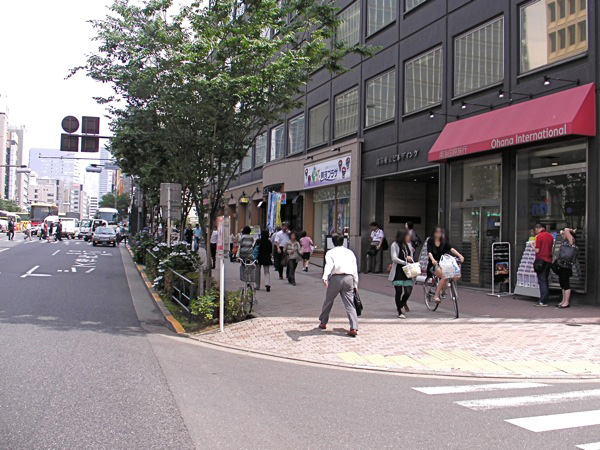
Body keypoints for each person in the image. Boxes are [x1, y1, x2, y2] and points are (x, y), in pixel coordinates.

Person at [319, 234, 360, 337]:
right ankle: (353, 327)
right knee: (350, 303)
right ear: (343, 241)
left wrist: (325, 277)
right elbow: (354, 268)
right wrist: (355, 284)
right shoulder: (350, 252)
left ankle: (323, 322)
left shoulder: (330, 253)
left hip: (336, 278)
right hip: (349, 278)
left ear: (333, 242)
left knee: (329, 300)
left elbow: (329, 265)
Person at [427, 226, 464, 303]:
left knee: (456, 275)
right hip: (434, 264)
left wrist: (459, 255)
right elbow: (429, 252)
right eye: (437, 232)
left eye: (440, 232)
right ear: (434, 233)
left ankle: (443, 287)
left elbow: (451, 249)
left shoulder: (444, 241)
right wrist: (433, 260)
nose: (439, 233)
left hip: (444, 264)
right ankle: (436, 295)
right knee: (444, 276)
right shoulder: (430, 241)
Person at [389, 229, 415, 319]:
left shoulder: (408, 245)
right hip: (398, 271)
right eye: (407, 235)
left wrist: (410, 259)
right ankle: (399, 311)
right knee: (398, 291)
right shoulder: (394, 245)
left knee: (408, 291)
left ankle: (402, 302)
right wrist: (405, 262)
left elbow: (411, 256)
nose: (409, 237)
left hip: (407, 271)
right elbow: (394, 258)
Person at [531, 223, 554, 307]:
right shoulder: (550, 236)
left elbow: (537, 250)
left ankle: (543, 300)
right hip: (548, 260)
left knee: (542, 281)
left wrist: (532, 246)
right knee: (545, 280)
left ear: (537, 229)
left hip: (541, 260)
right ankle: (544, 299)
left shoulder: (539, 236)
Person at [556, 228, 577, 309]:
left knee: (566, 284)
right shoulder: (565, 241)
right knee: (563, 284)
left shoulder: (571, 241)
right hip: (562, 265)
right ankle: (563, 300)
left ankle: (566, 302)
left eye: (564, 233)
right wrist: (563, 232)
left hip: (566, 266)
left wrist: (571, 230)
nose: (563, 234)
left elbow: (566, 229)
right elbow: (562, 231)